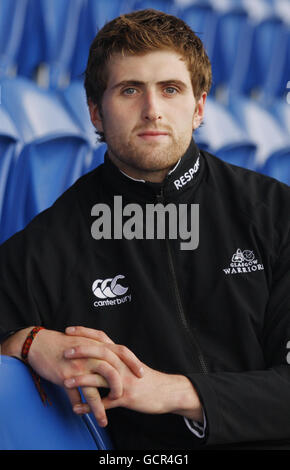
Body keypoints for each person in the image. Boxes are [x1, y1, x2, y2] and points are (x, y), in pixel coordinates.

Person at [1, 8, 290, 450]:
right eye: (130, 90)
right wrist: (28, 342)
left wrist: (173, 391)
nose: (152, 110)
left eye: (170, 89)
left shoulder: (274, 212)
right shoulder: (52, 240)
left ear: (198, 107)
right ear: (96, 113)